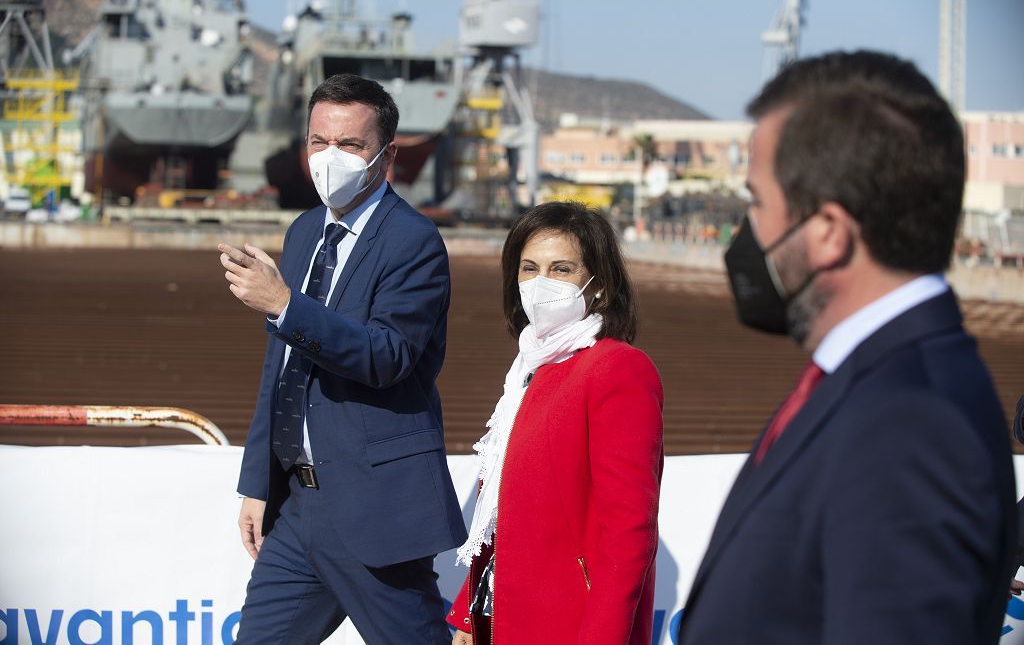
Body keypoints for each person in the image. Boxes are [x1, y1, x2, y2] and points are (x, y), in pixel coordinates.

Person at [677, 50, 1017, 644]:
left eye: (756, 202)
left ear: (829, 232)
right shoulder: (870, 381)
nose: (745, 231)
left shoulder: (912, 424)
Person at [219, 73, 466, 644]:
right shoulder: (305, 231)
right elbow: (278, 370)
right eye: (318, 142)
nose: (330, 157)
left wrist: (283, 303)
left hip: (373, 507)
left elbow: (388, 356)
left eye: (349, 145)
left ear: (386, 155)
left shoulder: (414, 242)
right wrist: (257, 482)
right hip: (296, 509)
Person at [446, 202, 664, 644]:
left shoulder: (617, 368)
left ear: (599, 286)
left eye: (561, 269)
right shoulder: (529, 369)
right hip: (500, 616)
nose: (540, 282)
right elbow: (500, 512)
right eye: (529, 268)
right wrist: (468, 616)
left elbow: (629, 530)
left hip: (565, 624)